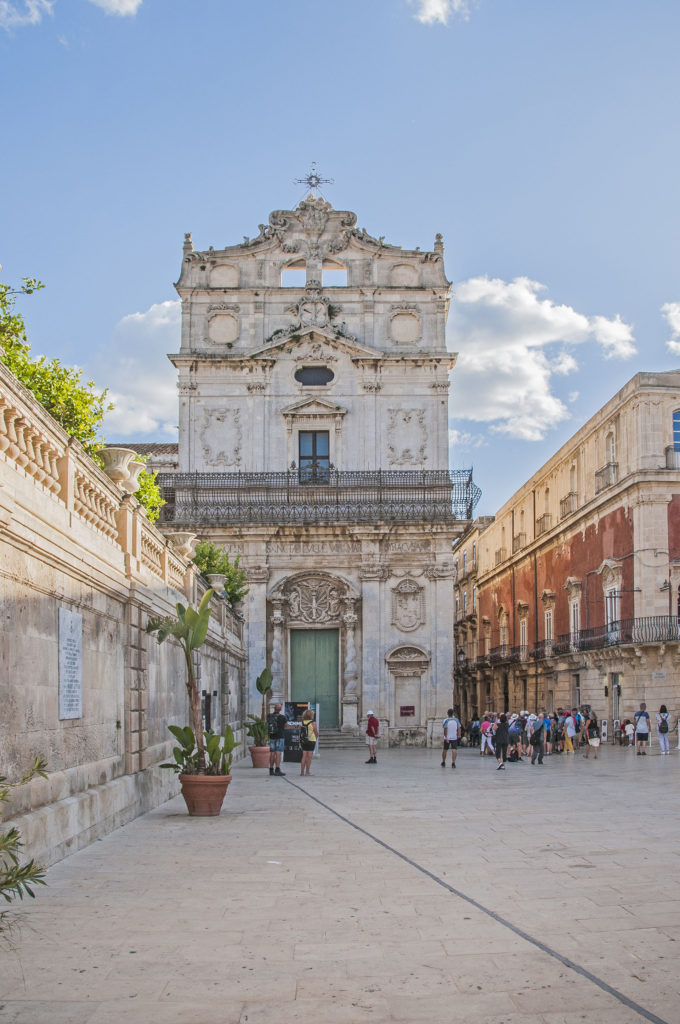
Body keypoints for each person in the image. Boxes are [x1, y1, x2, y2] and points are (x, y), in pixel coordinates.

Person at [267, 702, 287, 776]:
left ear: (274, 708)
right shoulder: (282, 717)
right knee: (278, 753)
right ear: (280, 709)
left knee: (272, 753)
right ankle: (277, 769)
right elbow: (286, 726)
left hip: (272, 736)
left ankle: (271, 770)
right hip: (280, 736)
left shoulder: (269, 716)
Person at [299, 709, 318, 776]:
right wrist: (316, 738)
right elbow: (316, 732)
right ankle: (307, 772)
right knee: (309, 757)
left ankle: (302, 772)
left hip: (304, 741)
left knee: (304, 756)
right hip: (311, 740)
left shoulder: (302, 722)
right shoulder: (313, 723)